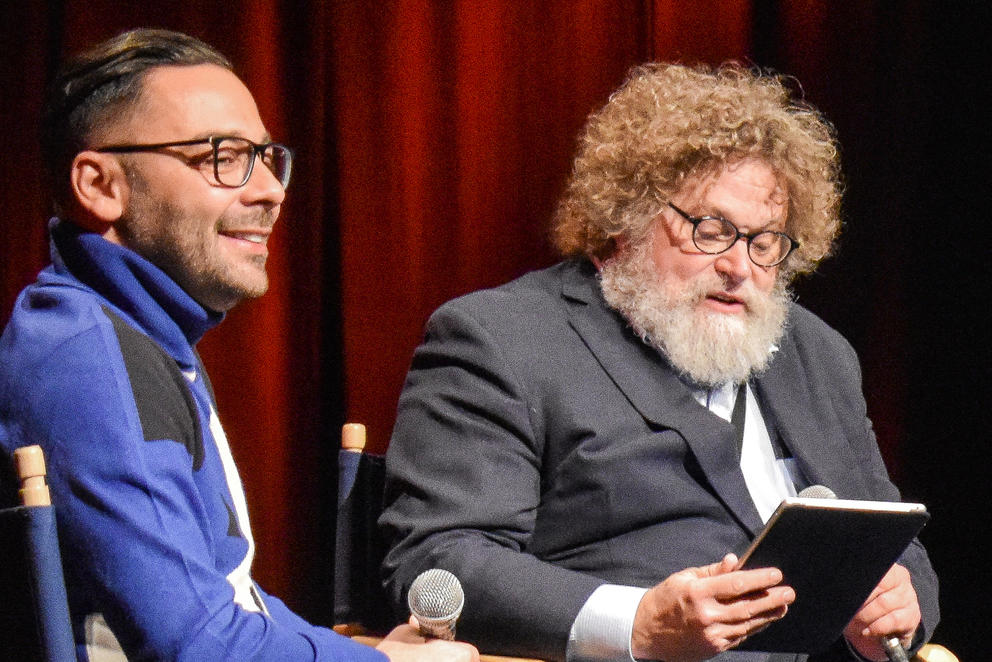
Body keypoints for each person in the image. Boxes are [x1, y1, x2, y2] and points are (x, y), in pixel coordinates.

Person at [379, 63, 939, 662]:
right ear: (627, 217)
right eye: (711, 229)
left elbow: (899, 546)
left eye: (764, 241)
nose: (739, 266)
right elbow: (439, 561)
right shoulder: (503, 339)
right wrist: (636, 623)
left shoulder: (816, 354)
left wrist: (902, 609)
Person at [0, 28, 478, 662]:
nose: (271, 192)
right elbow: (199, 646)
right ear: (100, 185)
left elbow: (228, 600)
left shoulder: (130, 333)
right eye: (222, 157)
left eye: (265, 157)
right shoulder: (92, 355)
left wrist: (373, 655)